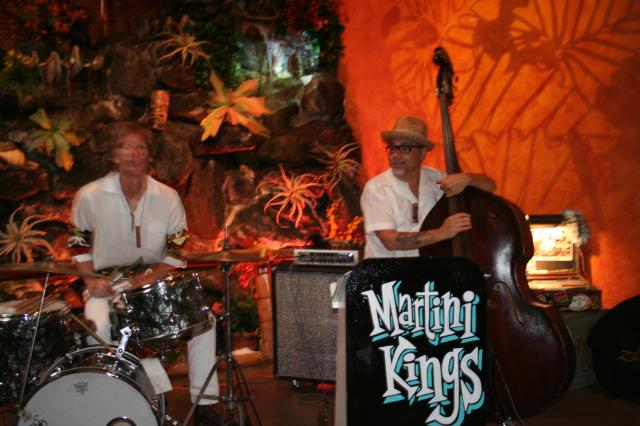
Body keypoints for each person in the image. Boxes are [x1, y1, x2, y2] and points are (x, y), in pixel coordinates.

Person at [69, 121, 219, 425]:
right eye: (125, 147)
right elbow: (77, 242)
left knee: (204, 323)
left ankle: (205, 403)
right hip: (108, 282)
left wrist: (155, 275)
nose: (134, 154)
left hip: (155, 281)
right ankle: (111, 404)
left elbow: (178, 246)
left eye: (140, 147)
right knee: (97, 326)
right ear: (113, 155)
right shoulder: (89, 195)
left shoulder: (167, 196)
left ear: (149, 155)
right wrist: (89, 278)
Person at [360, 115, 496, 258]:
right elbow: (391, 241)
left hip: (428, 269)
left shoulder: (436, 179)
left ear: (423, 153)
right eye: (393, 148)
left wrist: (468, 178)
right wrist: (441, 233)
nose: (396, 155)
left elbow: (490, 187)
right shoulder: (376, 188)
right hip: (387, 271)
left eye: (405, 148)